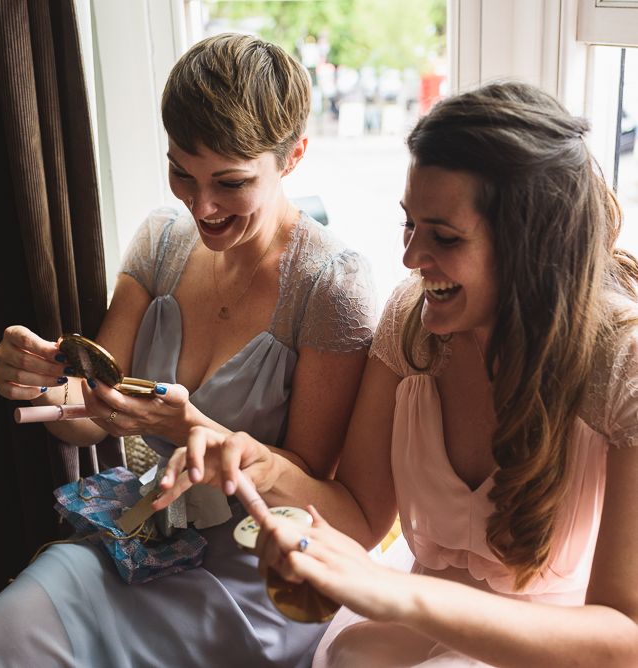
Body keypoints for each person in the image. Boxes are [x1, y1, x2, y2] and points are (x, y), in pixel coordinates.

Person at [155, 81, 638, 667]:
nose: (410, 259)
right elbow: (359, 517)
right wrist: (255, 459)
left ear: (533, 244)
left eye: (445, 237)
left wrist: (398, 591)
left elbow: (624, 638)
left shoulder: (621, 363)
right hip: (403, 637)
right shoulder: (412, 325)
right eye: (409, 225)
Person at [0, 33, 375, 667]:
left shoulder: (329, 285)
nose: (200, 206)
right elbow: (95, 412)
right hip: (150, 532)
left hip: (259, 573)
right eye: (181, 171)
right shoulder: (161, 242)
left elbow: (316, 500)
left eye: (229, 183)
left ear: (293, 157)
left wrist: (195, 426)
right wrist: (38, 381)